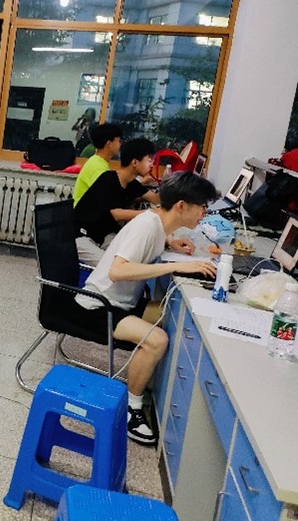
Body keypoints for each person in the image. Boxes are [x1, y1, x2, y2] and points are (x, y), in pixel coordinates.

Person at [76, 171, 218, 445]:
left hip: (121, 301)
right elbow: (117, 271)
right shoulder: (146, 226)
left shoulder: (157, 224)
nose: (204, 214)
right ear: (181, 206)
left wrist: (170, 242)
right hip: (100, 305)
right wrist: (173, 266)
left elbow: (154, 237)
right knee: (158, 340)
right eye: (202, 207)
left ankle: (147, 380)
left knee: (168, 317)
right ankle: (132, 408)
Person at [74, 138, 195, 264]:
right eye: (149, 160)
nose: (152, 165)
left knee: (136, 257)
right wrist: (152, 213)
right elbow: (117, 214)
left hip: (103, 236)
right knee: (112, 267)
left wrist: (173, 183)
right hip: (81, 237)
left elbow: (156, 199)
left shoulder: (131, 183)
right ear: (135, 162)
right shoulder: (108, 179)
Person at [72, 123, 122, 205]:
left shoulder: (98, 161)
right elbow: (108, 197)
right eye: (119, 141)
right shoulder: (97, 167)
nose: (120, 144)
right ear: (109, 143)